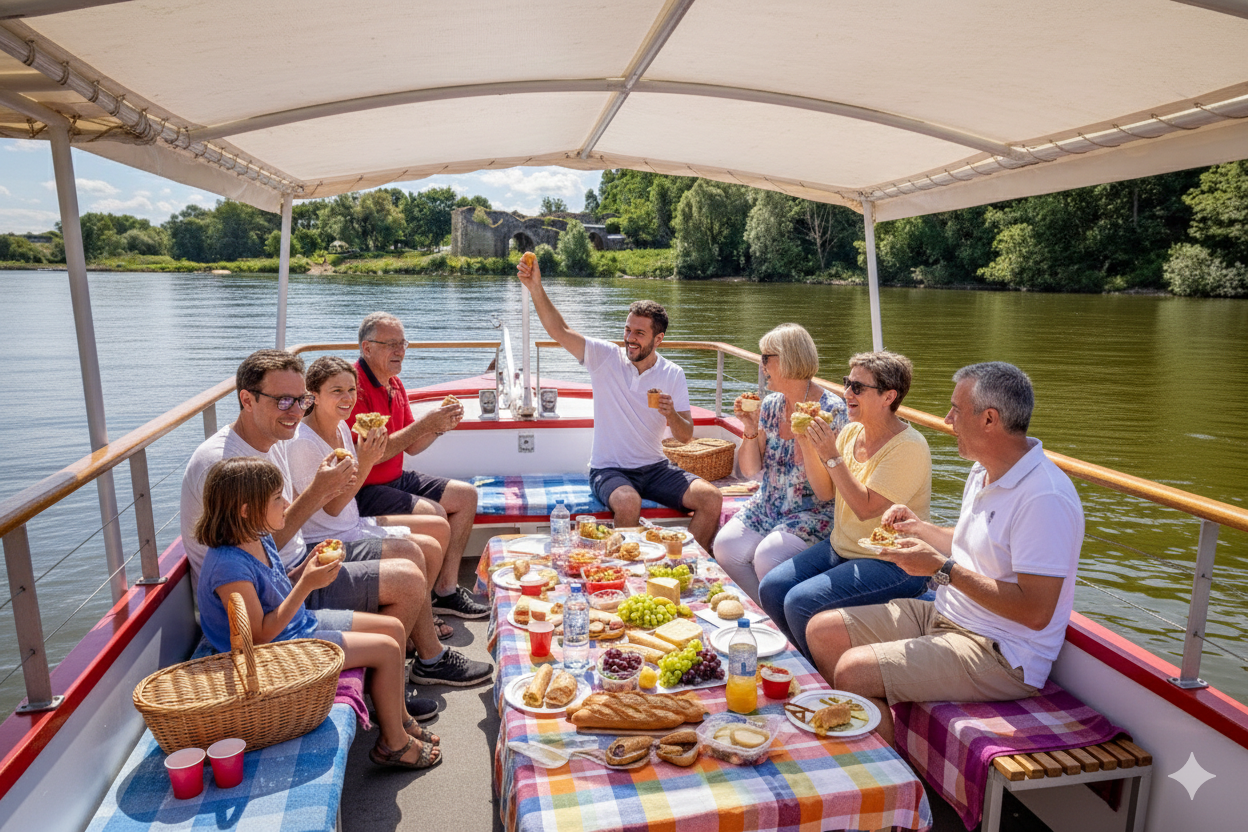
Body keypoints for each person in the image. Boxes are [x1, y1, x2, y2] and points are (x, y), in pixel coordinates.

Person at [806, 362, 1084, 745]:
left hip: (1000, 651)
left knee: (854, 670)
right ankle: (866, 742)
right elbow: (971, 542)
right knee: (822, 631)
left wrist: (942, 569)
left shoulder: (1044, 497)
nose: (947, 418)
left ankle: (892, 787)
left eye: (956, 409)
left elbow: (1036, 612)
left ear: (989, 419)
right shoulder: (985, 471)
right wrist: (918, 528)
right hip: (948, 614)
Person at [179, 349, 492, 689]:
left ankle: (409, 659)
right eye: (284, 401)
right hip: (270, 593)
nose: (296, 412)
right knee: (407, 578)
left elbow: (289, 520)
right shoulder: (224, 465)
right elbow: (262, 546)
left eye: (301, 401)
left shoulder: (275, 437)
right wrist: (320, 492)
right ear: (247, 399)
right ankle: (420, 665)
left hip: (295, 565)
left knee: (417, 554)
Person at [194, 457, 441, 769]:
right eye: (276, 498)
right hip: (272, 653)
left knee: (392, 627)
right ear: (246, 510)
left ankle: (400, 719)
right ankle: (394, 744)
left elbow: (276, 590)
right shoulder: (229, 567)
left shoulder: (258, 536)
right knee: (388, 649)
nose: (286, 503)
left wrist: (303, 570)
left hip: (297, 626)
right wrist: (307, 585)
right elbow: (259, 635)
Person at [516, 258, 723, 549]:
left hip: (656, 468)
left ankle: (685, 561)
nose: (630, 339)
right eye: (628, 330)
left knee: (711, 498)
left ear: (658, 339)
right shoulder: (606, 358)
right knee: (628, 502)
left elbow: (685, 435)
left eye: (639, 333)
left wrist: (671, 414)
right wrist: (536, 287)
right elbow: (559, 331)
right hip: (608, 470)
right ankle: (622, 570)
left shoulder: (672, 373)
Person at [758, 351, 931, 657]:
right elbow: (826, 492)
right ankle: (807, 665)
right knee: (772, 588)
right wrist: (805, 441)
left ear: (888, 397)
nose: (846, 393)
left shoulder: (909, 448)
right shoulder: (852, 431)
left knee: (799, 602)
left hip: (894, 564)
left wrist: (830, 455)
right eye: (847, 383)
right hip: (843, 548)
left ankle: (824, 681)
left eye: (858, 388)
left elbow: (865, 507)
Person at [290, 356, 456, 640]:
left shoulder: (342, 427)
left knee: (437, 532)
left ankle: (418, 622)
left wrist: (369, 454)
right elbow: (332, 507)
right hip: (328, 538)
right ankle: (426, 647)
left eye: (352, 390)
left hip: (351, 524)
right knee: (418, 550)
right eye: (337, 391)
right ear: (313, 395)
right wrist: (367, 461)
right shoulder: (303, 443)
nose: (348, 398)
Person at [349, 312, 489, 623]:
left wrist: (439, 426)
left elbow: (411, 445)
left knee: (466, 496)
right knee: (435, 515)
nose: (399, 351)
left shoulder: (394, 383)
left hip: (395, 478)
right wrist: (425, 423)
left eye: (403, 344)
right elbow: (376, 453)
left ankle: (446, 591)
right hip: (365, 489)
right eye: (391, 344)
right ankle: (418, 608)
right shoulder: (352, 389)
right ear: (366, 348)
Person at [713, 324, 847, 603]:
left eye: (765, 358)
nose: (761, 365)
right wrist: (749, 428)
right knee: (724, 548)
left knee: (768, 557)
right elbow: (749, 471)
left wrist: (806, 442)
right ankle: (765, 613)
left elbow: (826, 493)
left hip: (814, 513)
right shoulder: (771, 405)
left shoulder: (832, 411)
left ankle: (779, 621)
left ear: (787, 359)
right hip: (768, 503)